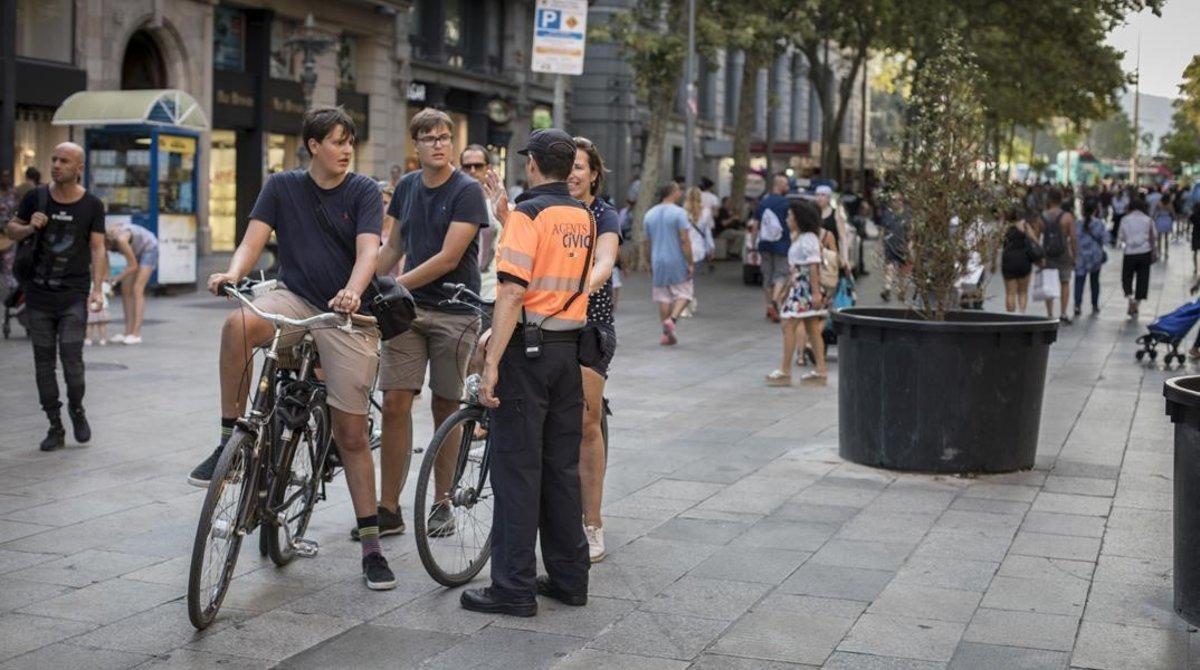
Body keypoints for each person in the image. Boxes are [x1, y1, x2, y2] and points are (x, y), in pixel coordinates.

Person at [186, 107, 398, 590]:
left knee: (350, 435)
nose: (346, 150)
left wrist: (352, 289)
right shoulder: (282, 186)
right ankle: (229, 445)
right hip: (297, 297)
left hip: (347, 312)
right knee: (238, 326)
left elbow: (370, 250)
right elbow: (252, 240)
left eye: (351, 141)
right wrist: (234, 273)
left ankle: (371, 548)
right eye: (337, 141)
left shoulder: (363, 190)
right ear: (313, 145)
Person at [461, 128, 592, 617]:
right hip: (566, 352)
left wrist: (491, 361)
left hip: (527, 353)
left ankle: (513, 586)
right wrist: (506, 212)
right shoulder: (580, 214)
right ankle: (569, 578)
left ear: (534, 163)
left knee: (516, 468)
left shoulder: (530, 213)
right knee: (561, 468)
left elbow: (513, 292)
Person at [370, 108, 489, 540]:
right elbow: (394, 245)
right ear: (416, 145)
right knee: (396, 401)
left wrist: (393, 285)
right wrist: (364, 281)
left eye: (444, 137)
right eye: (430, 138)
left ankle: (443, 501)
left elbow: (448, 258)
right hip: (409, 312)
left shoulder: (467, 191)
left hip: (455, 312)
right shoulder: (406, 187)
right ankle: (388, 508)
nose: (439, 144)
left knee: (445, 404)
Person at [5, 143, 106, 451]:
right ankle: (54, 425)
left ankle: (77, 408)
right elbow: (10, 230)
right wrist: (28, 228)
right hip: (37, 294)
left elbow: (98, 247)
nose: (57, 164)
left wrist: (99, 289)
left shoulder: (92, 205)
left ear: (79, 168)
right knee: (43, 364)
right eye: (54, 158)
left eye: (65, 160)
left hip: (73, 294)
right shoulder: (34, 197)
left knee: (73, 362)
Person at [566, 136, 620, 563]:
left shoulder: (604, 215)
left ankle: (592, 523)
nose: (572, 174)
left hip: (589, 325)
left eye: (579, 166)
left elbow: (604, 262)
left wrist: (580, 287)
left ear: (594, 174)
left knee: (587, 422)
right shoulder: (545, 210)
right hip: (546, 324)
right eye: (565, 165)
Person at [767, 199, 831, 387]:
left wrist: (815, 292)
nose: (787, 219)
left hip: (804, 291)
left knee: (788, 325)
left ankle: (785, 371)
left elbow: (813, 266)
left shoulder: (808, 239)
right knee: (811, 328)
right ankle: (820, 370)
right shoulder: (803, 238)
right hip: (800, 288)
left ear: (799, 219)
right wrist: (787, 289)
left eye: (790, 216)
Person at [643, 182, 694, 345]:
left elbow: (646, 242)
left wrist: (647, 260)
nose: (680, 192)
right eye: (679, 190)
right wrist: (690, 261)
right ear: (672, 192)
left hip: (657, 259)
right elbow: (684, 239)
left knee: (663, 296)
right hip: (676, 258)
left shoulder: (649, 214)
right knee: (685, 293)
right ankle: (672, 320)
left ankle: (666, 334)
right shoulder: (680, 213)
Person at [460, 144, 503, 303]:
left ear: (488, 168)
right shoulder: (454, 205)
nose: (472, 171)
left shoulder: (501, 205)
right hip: (460, 292)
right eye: (467, 166)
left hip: (491, 293)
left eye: (477, 166)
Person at [104, 222, 158, 344]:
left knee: (137, 289)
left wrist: (115, 279)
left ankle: (136, 333)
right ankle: (127, 332)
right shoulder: (109, 236)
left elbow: (132, 266)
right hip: (136, 251)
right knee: (125, 289)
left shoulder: (121, 240)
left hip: (149, 248)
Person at [750, 175, 792, 322]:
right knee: (781, 274)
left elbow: (755, 227)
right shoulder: (787, 203)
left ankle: (769, 306)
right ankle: (775, 301)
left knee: (767, 277)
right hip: (782, 245)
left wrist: (754, 247)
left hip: (765, 245)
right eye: (786, 184)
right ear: (780, 186)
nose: (788, 187)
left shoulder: (762, 203)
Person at [1040, 189, 1077, 324]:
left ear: (1049, 200)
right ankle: (1063, 312)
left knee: (1049, 282)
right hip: (1063, 253)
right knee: (1065, 282)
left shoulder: (1043, 216)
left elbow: (1037, 237)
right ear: (1061, 200)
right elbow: (1073, 238)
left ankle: (1049, 313)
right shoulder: (1067, 217)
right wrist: (1075, 255)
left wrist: (1039, 256)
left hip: (1047, 253)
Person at [1119, 195, 1154, 318]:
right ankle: (1137, 304)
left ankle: (1130, 298)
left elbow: (1121, 237)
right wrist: (1155, 252)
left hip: (1129, 252)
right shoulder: (1148, 219)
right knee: (1142, 279)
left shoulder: (1125, 219)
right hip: (1145, 252)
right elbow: (1152, 236)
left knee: (1126, 277)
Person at [681, 186, 711, 316]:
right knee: (691, 278)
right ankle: (689, 301)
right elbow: (707, 232)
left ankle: (686, 304)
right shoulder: (706, 212)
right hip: (699, 250)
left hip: (684, 248)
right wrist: (711, 248)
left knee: (685, 278)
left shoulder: (681, 212)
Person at [1000, 208, 1037, 313]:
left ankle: (1011, 317)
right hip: (1023, 260)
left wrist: (993, 262)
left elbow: (996, 243)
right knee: (1023, 292)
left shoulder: (1004, 226)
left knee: (1010, 293)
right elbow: (1034, 239)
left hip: (1008, 260)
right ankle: (1022, 315)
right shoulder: (1024, 225)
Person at [1074, 199, 1106, 317]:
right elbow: (1105, 239)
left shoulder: (1078, 223)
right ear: (1095, 210)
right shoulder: (1099, 223)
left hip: (1081, 256)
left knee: (1079, 282)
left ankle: (1077, 305)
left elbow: (1074, 239)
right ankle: (1094, 304)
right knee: (1095, 281)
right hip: (1095, 256)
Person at [815, 184, 851, 273]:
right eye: (817, 195)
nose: (819, 198)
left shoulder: (836, 214)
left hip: (831, 255)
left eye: (823, 195)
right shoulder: (812, 213)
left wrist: (845, 259)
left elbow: (843, 238)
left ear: (828, 198)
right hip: (815, 255)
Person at [85, 280, 112, 346]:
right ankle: (103, 339)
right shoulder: (103, 284)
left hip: (91, 307)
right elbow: (111, 294)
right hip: (101, 307)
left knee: (89, 325)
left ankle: (88, 339)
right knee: (102, 325)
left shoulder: (87, 283)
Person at [1151, 187, 1174, 260]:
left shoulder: (1159, 203)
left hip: (1160, 219)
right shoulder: (1170, 204)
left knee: (1159, 237)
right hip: (1167, 219)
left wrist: (1153, 219)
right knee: (1166, 237)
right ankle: (1166, 252)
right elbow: (1173, 213)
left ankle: (1159, 251)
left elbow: (1155, 212)